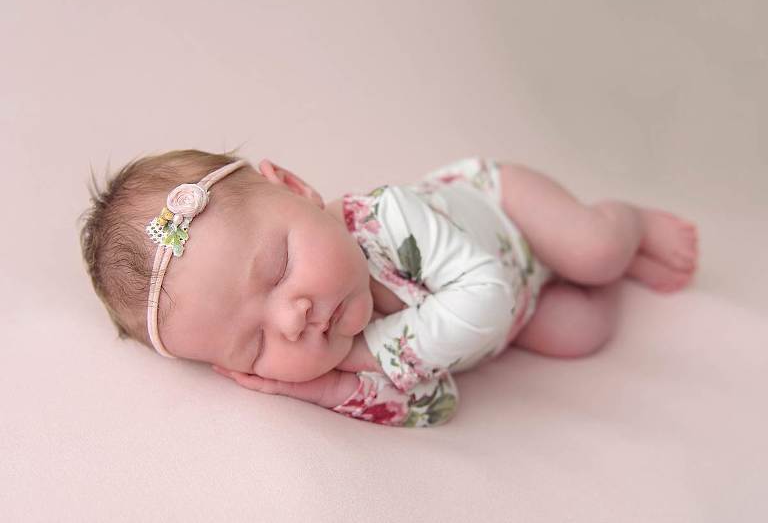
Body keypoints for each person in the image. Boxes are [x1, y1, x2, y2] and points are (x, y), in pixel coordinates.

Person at [80, 151, 698, 428]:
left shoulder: (388, 217)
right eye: (253, 345)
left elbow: (485, 297)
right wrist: (332, 388)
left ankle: (626, 224)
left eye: (277, 271)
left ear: (296, 190)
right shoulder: (337, 354)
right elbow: (439, 403)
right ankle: (601, 278)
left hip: (507, 210)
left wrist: (367, 355)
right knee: (580, 334)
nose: (291, 320)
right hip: (520, 303)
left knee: (594, 249)